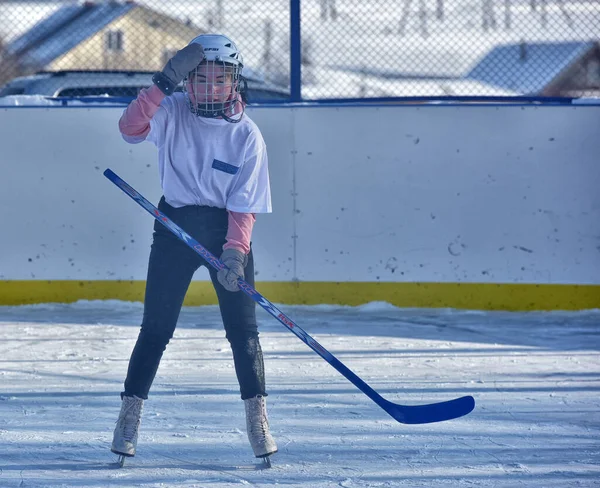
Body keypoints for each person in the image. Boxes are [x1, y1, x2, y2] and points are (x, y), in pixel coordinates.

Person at [110, 34, 277, 463]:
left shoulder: (247, 135)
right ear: (187, 81)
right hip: (174, 225)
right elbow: (130, 129)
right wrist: (162, 82)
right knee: (156, 328)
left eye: (218, 79)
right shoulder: (172, 110)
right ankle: (128, 418)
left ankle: (258, 421)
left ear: (233, 82)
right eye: (198, 78)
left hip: (226, 233)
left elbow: (245, 204)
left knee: (244, 332)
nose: (208, 87)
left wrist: (236, 253)